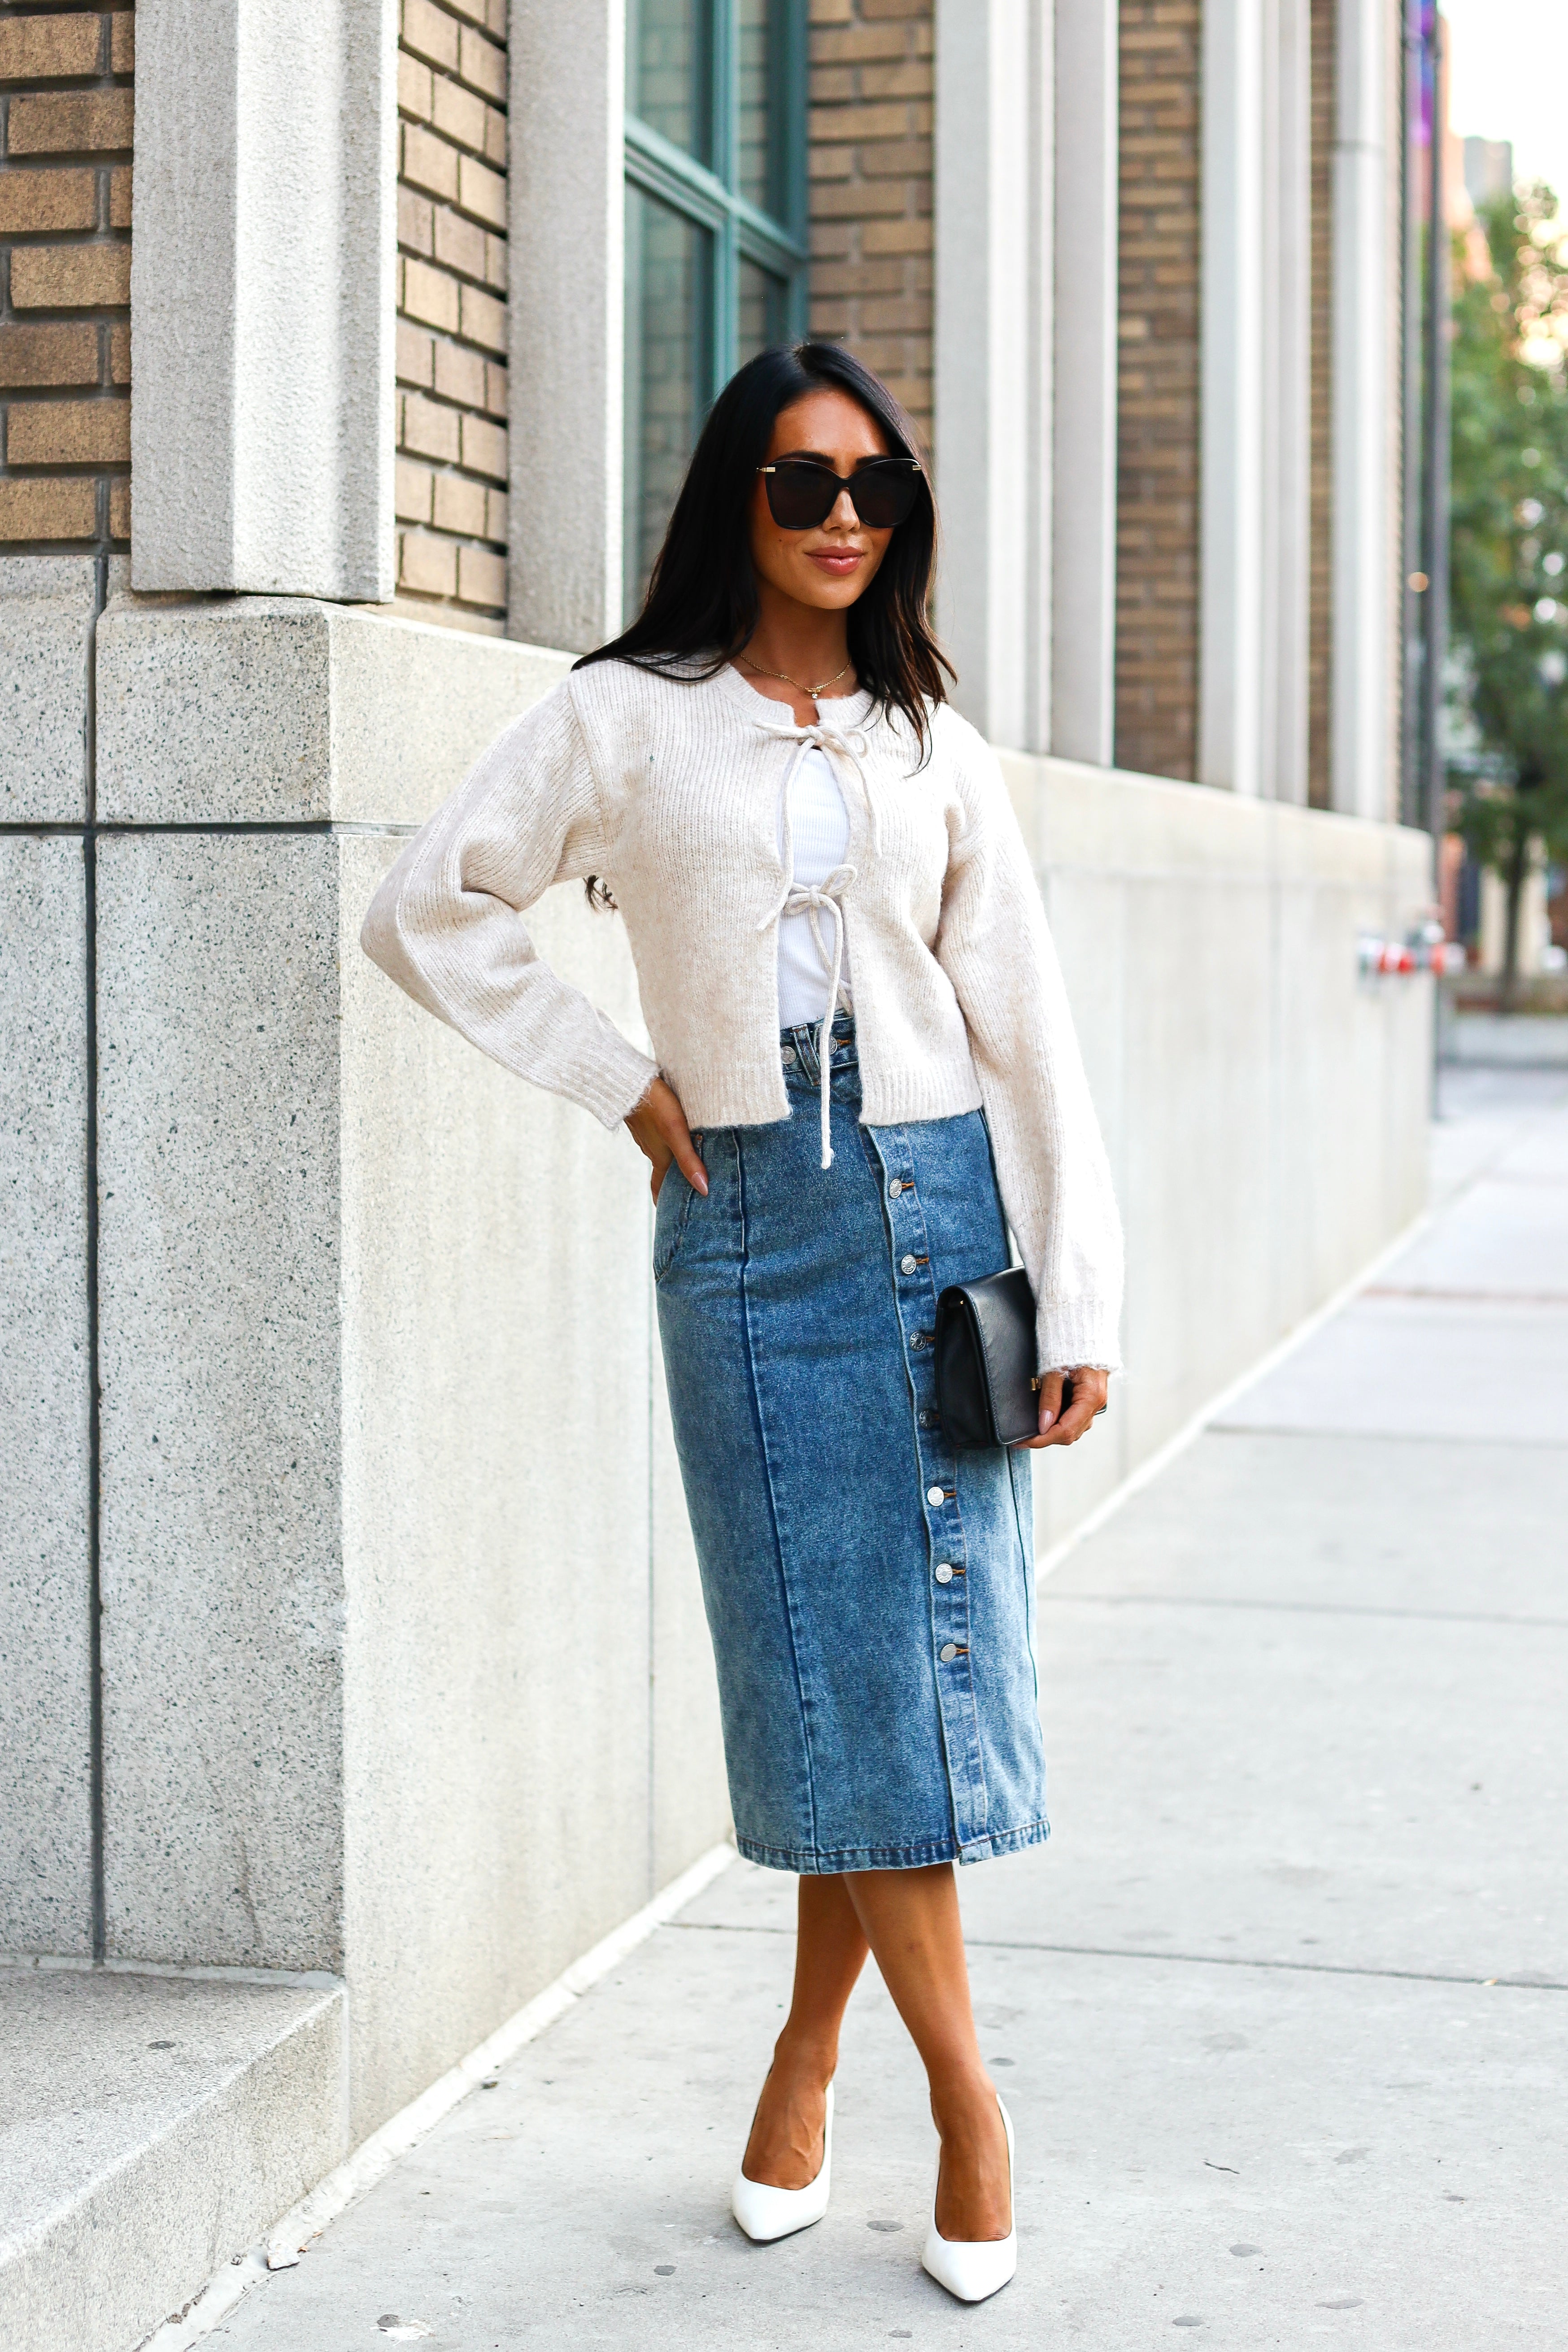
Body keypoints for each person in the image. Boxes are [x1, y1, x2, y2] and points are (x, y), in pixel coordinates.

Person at [361, 342, 1122, 2304]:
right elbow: (428, 906)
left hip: (941, 1214)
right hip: (753, 1232)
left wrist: (1078, 1293)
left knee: (914, 1663)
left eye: (876, 487)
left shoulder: (931, 742)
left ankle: (834, 2066)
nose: (844, 518)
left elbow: (1027, 1030)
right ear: (739, 502)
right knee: (823, 1665)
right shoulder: (627, 716)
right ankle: (963, 2097)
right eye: (802, 485)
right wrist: (619, 1077)